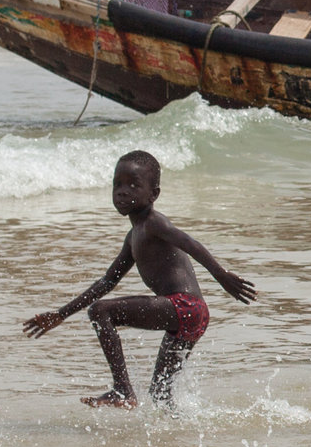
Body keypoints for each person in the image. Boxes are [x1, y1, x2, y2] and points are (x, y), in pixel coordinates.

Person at [22, 150, 257, 407]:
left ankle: (122, 390)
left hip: (185, 307)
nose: (122, 191)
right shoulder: (133, 237)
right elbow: (107, 282)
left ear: (153, 194)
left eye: (134, 185)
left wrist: (221, 276)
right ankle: (174, 439)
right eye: (117, 184)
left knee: (101, 311)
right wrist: (60, 314)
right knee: (160, 394)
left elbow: (190, 243)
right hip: (192, 314)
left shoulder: (154, 224)